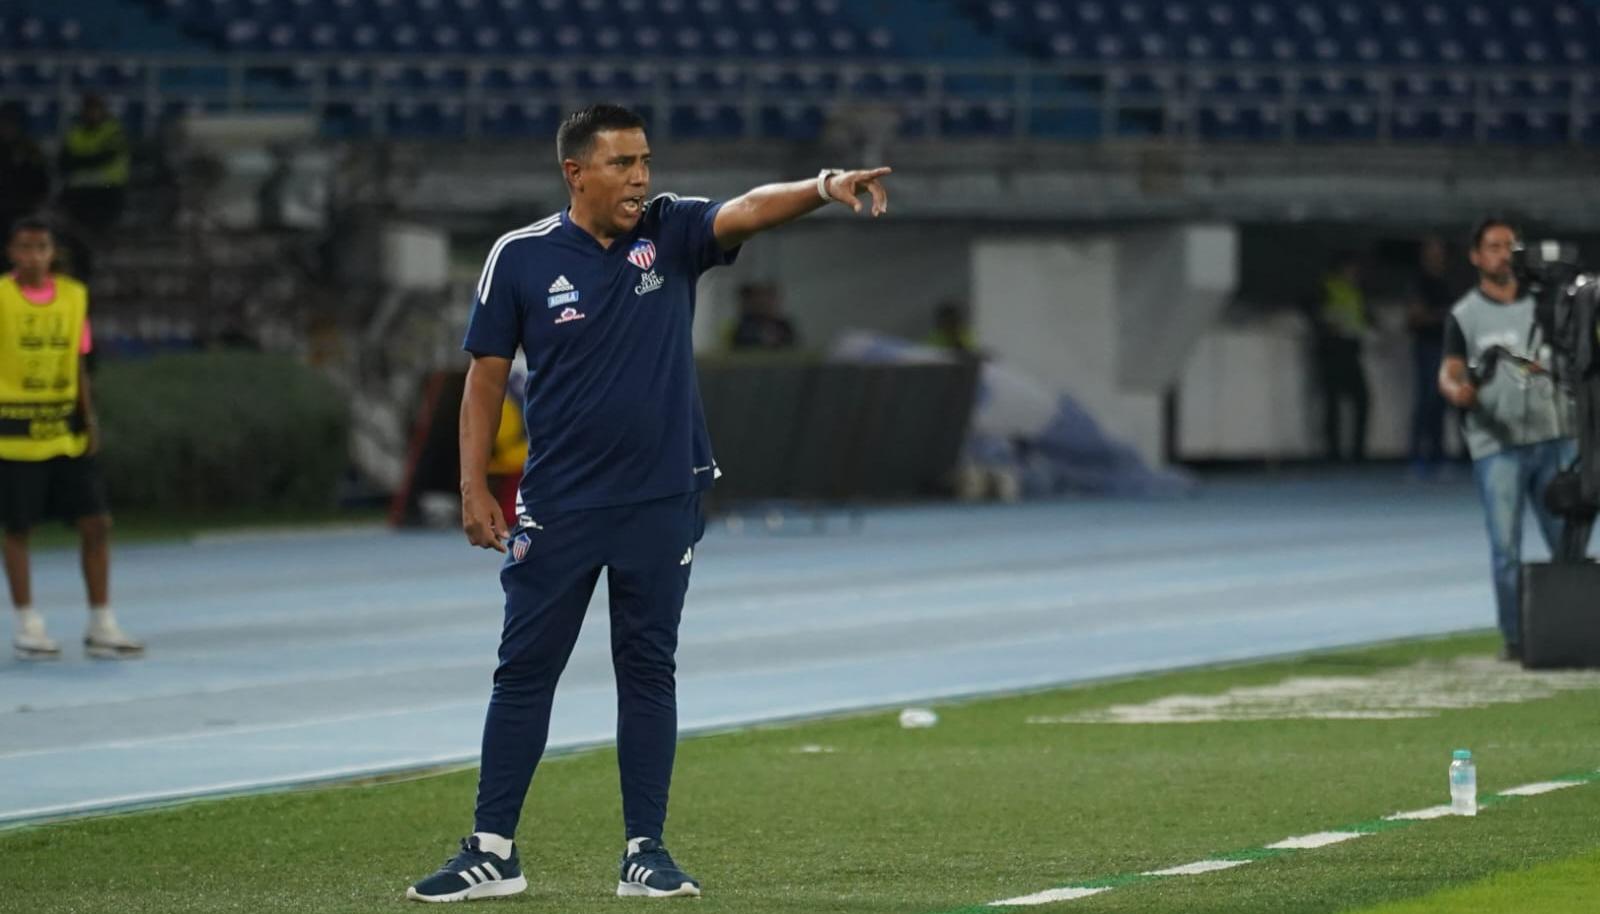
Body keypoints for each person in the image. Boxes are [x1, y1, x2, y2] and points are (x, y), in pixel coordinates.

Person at [406, 104, 890, 903]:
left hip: (662, 497)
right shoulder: (519, 257)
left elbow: (748, 209)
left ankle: (645, 852)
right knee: (524, 672)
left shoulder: (671, 232)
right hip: (558, 502)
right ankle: (493, 851)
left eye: (645, 161)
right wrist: (472, 488)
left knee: (647, 670)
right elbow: (485, 377)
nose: (641, 178)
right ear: (575, 172)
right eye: (623, 163)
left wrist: (823, 185)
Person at [1438, 218, 1580, 662]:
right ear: (1476, 257)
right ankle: (1517, 639)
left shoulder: (1548, 306)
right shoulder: (1465, 315)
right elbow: (1452, 369)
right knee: (1505, 548)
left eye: (1510, 246)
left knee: (1569, 544)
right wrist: (1455, 389)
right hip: (1497, 445)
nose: (1504, 254)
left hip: (1555, 438)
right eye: (1494, 246)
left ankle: (1573, 631)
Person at [1, 217, 144, 660]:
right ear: (10, 253)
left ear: (53, 253)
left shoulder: (73, 297)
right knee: (17, 529)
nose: (33, 256)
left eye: (41, 247)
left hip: (64, 432)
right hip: (13, 436)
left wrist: (90, 419)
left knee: (97, 522)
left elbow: (79, 362)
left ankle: (101, 622)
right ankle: (29, 624)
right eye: (24, 248)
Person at [1314, 252, 1371, 462]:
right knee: (1333, 402)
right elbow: (1318, 313)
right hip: (1332, 350)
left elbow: (1361, 317)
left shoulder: (1356, 290)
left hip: (1351, 349)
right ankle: (1333, 452)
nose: (1355, 273)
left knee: (1362, 400)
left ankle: (1358, 451)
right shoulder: (1328, 286)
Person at [1408, 236, 1455, 475]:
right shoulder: (1421, 282)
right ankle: (1417, 456)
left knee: (1440, 402)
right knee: (1425, 401)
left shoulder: (1445, 282)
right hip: (1427, 347)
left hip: (1446, 348)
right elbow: (1415, 317)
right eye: (1431, 252)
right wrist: (1442, 316)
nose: (1436, 257)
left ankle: (1438, 455)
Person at [59, 94, 131, 238]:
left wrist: (80, 160)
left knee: (103, 218)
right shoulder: (75, 132)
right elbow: (63, 161)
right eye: (88, 109)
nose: (91, 113)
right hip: (79, 188)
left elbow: (105, 158)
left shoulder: (113, 130)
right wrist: (88, 159)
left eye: (95, 109)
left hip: (107, 187)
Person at [0, 103, 52, 255]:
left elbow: (42, 182)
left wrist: (34, 204)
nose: (7, 129)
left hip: (25, 210)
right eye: (4, 124)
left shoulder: (30, 150)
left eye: (11, 124)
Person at [727, 281, 798, 351]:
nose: (766, 303)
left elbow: (793, 347)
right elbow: (738, 347)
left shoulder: (784, 325)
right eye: (763, 299)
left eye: (771, 299)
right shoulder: (745, 326)